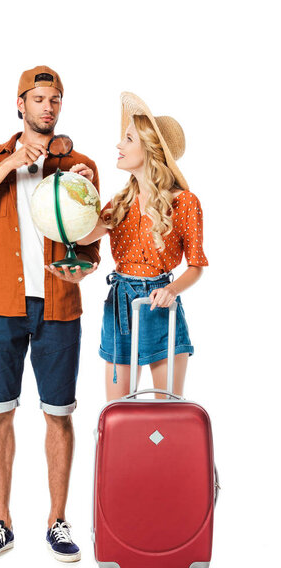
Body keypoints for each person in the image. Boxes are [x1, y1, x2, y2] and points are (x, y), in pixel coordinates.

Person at [0, 66, 100, 562]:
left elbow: (90, 247)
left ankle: (57, 520)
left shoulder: (81, 165)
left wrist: (81, 266)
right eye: (38, 98)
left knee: (59, 416)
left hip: (59, 308)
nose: (48, 107)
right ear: (20, 105)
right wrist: (14, 160)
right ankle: (1, 522)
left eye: (55, 99)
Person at [77, 92, 209, 401]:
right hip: (120, 306)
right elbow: (83, 238)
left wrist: (172, 290)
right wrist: (82, 192)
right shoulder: (120, 202)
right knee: (118, 412)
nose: (118, 145)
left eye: (127, 139)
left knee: (167, 415)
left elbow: (196, 266)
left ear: (149, 149)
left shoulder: (185, 203)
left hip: (161, 306)